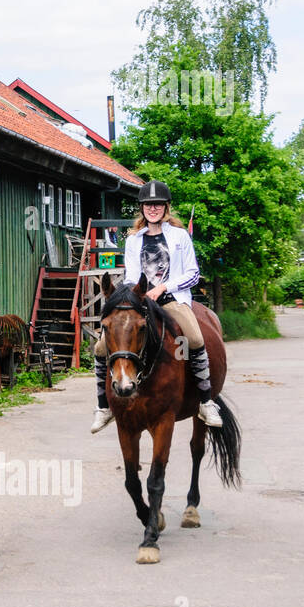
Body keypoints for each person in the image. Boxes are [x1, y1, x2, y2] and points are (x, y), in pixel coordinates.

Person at [91, 180, 223, 433]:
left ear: (166, 207)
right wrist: (127, 294)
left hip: (173, 299)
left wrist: (163, 287)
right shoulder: (133, 240)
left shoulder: (179, 236)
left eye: (158, 204)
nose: (153, 209)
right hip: (141, 302)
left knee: (194, 338)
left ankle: (206, 402)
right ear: (142, 208)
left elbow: (193, 274)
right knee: (100, 345)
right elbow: (131, 276)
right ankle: (103, 407)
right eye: (148, 205)